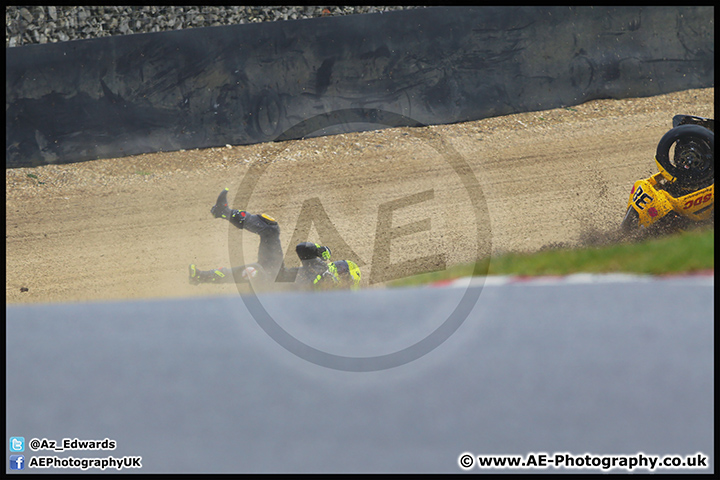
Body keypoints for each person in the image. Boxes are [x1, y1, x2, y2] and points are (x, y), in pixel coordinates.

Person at [189, 188, 361, 290]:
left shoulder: (328, 301)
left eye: (343, 272)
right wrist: (317, 249)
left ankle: (202, 277)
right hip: (277, 274)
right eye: (341, 266)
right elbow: (301, 248)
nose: (338, 269)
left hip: (271, 297)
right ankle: (223, 211)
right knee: (270, 228)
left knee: (255, 270)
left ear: (345, 285)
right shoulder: (320, 268)